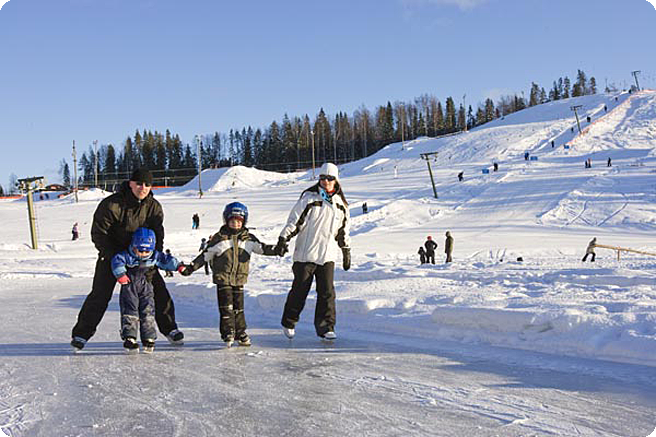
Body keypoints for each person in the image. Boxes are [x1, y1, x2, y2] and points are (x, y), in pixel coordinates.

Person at [70, 168, 184, 352]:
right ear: (130, 183)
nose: (143, 188)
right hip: (113, 257)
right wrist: (115, 256)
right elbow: (99, 234)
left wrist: (154, 256)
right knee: (99, 295)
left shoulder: (153, 206)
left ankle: (170, 329)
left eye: (147, 184)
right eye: (139, 183)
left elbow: (158, 234)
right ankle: (81, 333)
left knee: (159, 293)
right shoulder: (112, 204)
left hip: (142, 259)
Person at [180, 202, 279, 347]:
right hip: (223, 279)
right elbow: (205, 256)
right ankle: (228, 332)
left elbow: (263, 248)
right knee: (226, 308)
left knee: (239, 308)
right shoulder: (219, 239)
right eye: (232, 220)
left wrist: (278, 249)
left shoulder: (248, 239)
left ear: (244, 221)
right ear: (226, 220)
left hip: (239, 279)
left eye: (239, 221)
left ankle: (241, 332)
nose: (236, 224)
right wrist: (191, 268)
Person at [276, 162, 351, 341]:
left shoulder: (341, 205)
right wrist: (283, 239)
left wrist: (346, 249)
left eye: (329, 178)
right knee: (300, 290)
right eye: (322, 178)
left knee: (327, 292)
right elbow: (294, 222)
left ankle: (326, 328)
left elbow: (343, 230)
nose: (325, 181)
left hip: (328, 255)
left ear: (336, 181)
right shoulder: (309, 199)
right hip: (306, 254)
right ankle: (289, 321)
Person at [112, 228, 185, 353]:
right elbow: (117, 261)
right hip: (130, 288)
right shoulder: (127, 256)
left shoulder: (154, 256)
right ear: (133, 245)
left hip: (147, 288)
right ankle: (130, 337)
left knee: (148, 311)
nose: (143, 253)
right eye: (140, 250)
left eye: (147, 251)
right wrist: (120, 274)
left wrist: (178, 266)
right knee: (130, 311)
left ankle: (149, 337)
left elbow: (166, 260)